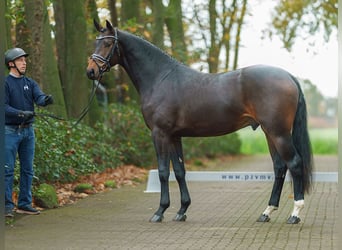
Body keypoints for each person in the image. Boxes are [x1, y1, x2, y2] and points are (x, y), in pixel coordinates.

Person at [4, 48, 54, 217]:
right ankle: (7, 206)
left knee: (27, 169)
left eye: (25, 60)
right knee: (7, 170)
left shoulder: (30, 83)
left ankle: (24, 203)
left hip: (28, 132)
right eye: (20, 60)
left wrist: (45, 100)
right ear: (11, 64)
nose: (24, 63)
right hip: (9, 131)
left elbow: (38, 98)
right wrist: (20, 113)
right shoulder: (5, 83)